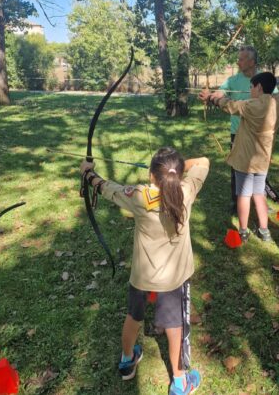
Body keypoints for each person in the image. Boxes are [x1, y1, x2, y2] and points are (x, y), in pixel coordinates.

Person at [80, 147, 210, 395]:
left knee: (134, 315)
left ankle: (127, 359)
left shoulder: (140, 196)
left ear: (151, 175)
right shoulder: (186, 190)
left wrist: (88, 174)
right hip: (173, 279)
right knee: (175, 326)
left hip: (143, 276)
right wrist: (178, 169)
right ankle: (180, 382)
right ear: (178, 174)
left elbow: (107, 188)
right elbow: (203, 161)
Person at [199, 45, 279, 212]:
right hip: (238, 133)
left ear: (252, 62)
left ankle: (260, 201)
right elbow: (220, 94)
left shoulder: (264, 80)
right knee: (237, 170)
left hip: (260, 135)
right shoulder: (232, 80)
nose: (238, 62)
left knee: (259, 169)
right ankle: (237, 203)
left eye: (242, 59)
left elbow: (278, 106)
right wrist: (209, 96)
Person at [199, 72, 279, 242]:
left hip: (245, 161)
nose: (249, 91)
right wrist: (270, 94)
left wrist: (210, 97)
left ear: (259, 87)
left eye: (251, 87)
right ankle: (264, 231)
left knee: (244, 195)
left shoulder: (251, 106)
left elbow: (229, 105)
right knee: (259, 193)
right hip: (263, 160)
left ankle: (243, 231)